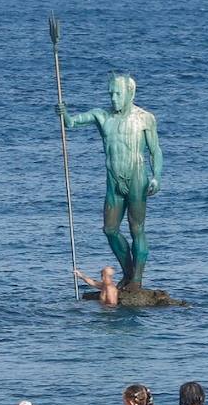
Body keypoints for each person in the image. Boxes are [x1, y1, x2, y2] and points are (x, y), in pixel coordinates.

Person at [57, 72, 164, 289]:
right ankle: (128, 271)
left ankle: (137, 280)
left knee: (137, 229)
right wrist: (64, 114)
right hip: (113, 181)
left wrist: (157, 177)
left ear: (130, 93)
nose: (113, 98)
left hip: (136, 179)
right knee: (110, 229)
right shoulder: (102, 116)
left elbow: (156, 151)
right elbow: (72, 123)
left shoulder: (145, 118)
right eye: (111, 93)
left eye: (118, 93)